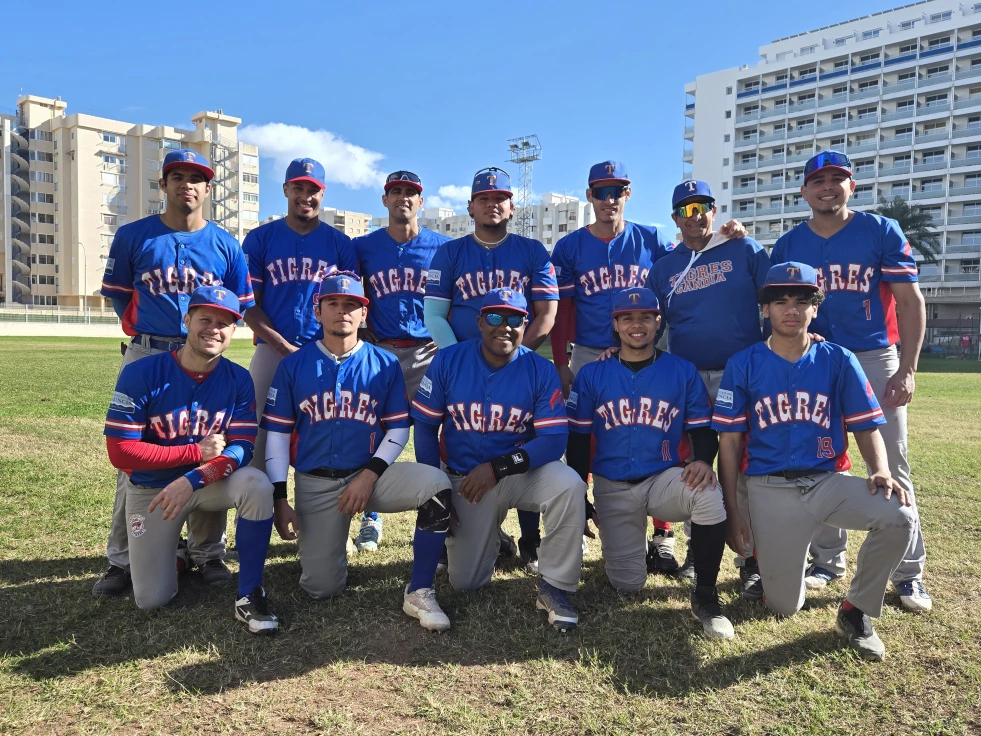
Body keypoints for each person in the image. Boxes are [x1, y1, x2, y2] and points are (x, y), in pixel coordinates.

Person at [712, 262, 916, 661]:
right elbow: (730, 443)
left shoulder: (839, 359)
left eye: (802, 301)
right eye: (781, 301)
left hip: (826, 482)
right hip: (770, 488)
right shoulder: (743, 363)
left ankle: (855, 610)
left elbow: (865, 425)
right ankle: (777, 567)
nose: (791, 310)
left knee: (899, 515)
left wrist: (880, 469)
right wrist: (733, 512)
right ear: (766, 309)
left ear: (815, 308)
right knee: (784, 606)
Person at [770, 151, 931, 612]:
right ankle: (827, 560)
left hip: (872, 354)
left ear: (851, 186)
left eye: (836, 179)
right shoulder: (788, 244)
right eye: (818, 180)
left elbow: (910, 301)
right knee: (822, 461)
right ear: (804, 191)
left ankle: (908, 573)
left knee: (892, 460)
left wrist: (907, 368)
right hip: (814, 358)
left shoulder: (880, 230)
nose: (827, 187)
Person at [95, 149, 255, 596]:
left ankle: (207, 553)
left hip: (207, 357)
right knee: (134, 462)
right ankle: (122, 559)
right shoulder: (134, 235)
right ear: (163, 184)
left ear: (208, 189)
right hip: (149, 351)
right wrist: (149, 335)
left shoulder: (226, 244)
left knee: (210, 447)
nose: (187, 184)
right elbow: (120, 297)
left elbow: (237, 306)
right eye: (177, 176)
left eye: (196, 178)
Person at [261, 272, 455, 631]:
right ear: (317, 311)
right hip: (317, 483)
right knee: (322, 588)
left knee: (436, 483)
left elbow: (398, 428)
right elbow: (277, 435)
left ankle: (420, 588)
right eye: (333, 303)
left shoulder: (384, 363)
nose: (342, 311)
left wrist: (369, 475)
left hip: (370, 477)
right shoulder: (293, 364)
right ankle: (329, 541)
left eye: (351, 304)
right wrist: (279, 497)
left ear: (364, 313)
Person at [103, 285, 278, 633]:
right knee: (151, 598)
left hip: (205, 484)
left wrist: (194, 477)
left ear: (233, 331)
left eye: (223, 323)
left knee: (256, 483)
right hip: (154, 488)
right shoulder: (142, 372)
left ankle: (249, 593)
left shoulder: (238, 378)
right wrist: (194, 453)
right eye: (205, 319)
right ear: (187, 321)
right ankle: (179, 556)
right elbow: (120, 452)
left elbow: (242, 446)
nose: (213, 329)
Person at [411, 288, 586, 631]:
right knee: (466, 582)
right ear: (480, 322)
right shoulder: (448, 360)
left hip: (518, 473)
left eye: (514, 319)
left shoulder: (539, 369)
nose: (504, 327)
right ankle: (494, 537)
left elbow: (553, 441)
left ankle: (555, 586)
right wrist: (438, 492)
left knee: (569, 485)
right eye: (494, 317)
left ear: (525, 325)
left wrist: (498, 467)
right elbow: (426, 428)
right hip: (466, 480)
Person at [566, 288, 733, 639]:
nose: (636, 324)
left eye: (645, 317)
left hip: (663, 479)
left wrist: (704, 460)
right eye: (627, 318)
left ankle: (706, 596)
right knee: (627, 584)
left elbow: (702, 429)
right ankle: (631, 542)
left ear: (658, 323)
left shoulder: (682, 371)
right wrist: (580, 494)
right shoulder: (592, 374)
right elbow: (578, 439)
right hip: (613, 486)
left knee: (707, 494)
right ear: (616, 325)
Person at [424, 168, 559, 571]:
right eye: (483, 198)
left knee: (525, 438)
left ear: (512, 207)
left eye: (500, 198)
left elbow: (546, 313)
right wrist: (460, 362)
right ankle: (465, 524)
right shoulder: (450, 253)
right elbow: (434, 315)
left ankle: (532, 540)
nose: (492, 204)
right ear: (470, 207)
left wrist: (516, 357)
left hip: (519, 360)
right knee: (461, 440)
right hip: (460, 364)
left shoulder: (532, 251)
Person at [646, 179, 770, 596]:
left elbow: (775, 300)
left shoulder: (743, 248)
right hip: (690, 377)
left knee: (745, 466)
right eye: (685, 209)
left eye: (702, 206)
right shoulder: (664, 267)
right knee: (694, 463)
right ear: (674, 218)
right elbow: (649, 325)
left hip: (742, 373)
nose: (694, 215)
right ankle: (699, 550)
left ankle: (750, 557)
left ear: (714, 211)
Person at [351, 170, 450, 552]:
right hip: (381, 350)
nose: (403, 197)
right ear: (385, 199)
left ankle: (439, 509)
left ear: (420, 201)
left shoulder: (442, 246)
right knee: (371, 432)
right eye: (396, 191)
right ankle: (371, 516)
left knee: (435, 430)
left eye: (411, 192)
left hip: (428, 350)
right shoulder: (363, 246)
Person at [242, 157, 359, 476]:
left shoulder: (340, 244)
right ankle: (258, 503)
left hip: (325, 354)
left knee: (326, 437)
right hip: (272, 351)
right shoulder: (260, 238)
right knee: (257, 438)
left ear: (322, 194)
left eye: (313, 190)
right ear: (285, 189)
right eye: (298, 188)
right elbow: (248, 305)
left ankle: (318, 505)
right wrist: (283, 348)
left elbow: (350, 305)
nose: (305, 196)